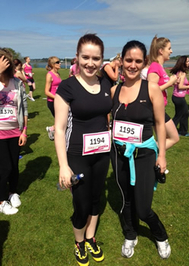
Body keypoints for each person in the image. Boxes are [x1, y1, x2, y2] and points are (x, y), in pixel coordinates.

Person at [54, 33, 112, 266]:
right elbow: (59, 130)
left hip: (102, 153)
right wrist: (63, 166)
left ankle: (90, 237)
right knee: (82, 202)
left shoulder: (106, 83)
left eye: (95, 58)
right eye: (85, 57)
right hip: (77, 155)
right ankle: (79, 242)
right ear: (77, 57)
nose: (90, 63)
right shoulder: (66, 87)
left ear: (102, 60)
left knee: (96, 198)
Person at [110, 40, 171, 260]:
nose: (132, 65)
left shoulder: (151, 88)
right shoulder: (114, 90)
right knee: (126, 200)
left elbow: (159, 123)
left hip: (144, 155)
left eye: (138, 61)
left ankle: (161, 236)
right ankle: (130, 234)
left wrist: (162, 155)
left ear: (144, 62)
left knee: (143, 208)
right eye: (128, 60)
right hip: (118, 155)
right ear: (122, 61)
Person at [0, 48, 28, 215]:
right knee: (4, 168)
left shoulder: (17, 83)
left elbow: (24, 108)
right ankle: (1, 200)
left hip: (14, 132)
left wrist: (24, 131)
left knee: (14, 166)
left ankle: (13, 192)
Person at [147, 35, 179, 150]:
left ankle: (155, 161)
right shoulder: (155, 67)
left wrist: (171, 82)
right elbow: (150, 90)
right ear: (161, 51)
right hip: (156, 110)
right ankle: (149, 154)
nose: (171, 51)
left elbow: (159, 87)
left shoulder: (160, 67)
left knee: (165, 138)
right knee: (174, 137)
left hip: (160, 109)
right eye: (169, 48)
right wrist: (170, 83)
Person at [170, 56, 189, 137]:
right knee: (179, 115)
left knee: (184, 114)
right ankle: (171, 131)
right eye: (187, 61)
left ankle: (183, 131)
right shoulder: (182, 73)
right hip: (179, 98)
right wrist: (188, 87)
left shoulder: (179, 72)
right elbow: (180, 87)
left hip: (177, 97)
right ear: (183, 63)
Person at [45, 56, 62, 141]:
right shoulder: (49, 75)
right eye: (58, 62)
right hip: (52, 101)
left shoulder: (58, 74)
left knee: (62, 118)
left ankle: (52, 129)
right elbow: (46, 92)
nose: (60, 64)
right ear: (52, 64)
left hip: (59, 100)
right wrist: (57, 97)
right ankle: (52, 130)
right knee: (61, 119)